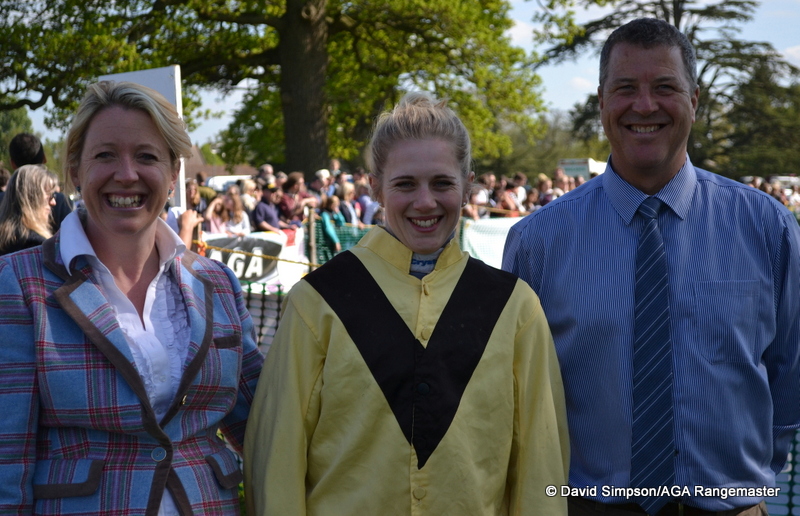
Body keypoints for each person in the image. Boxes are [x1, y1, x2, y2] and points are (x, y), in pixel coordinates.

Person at [502, 18, 800, 516]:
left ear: (694, 102)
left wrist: (750, 483)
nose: (644, 105)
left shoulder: (766, 228)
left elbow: (790, 369)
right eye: (625, 89)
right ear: (602, 103)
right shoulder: (536, 244)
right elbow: (513, 394)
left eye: (664, 87)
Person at [244, 91, 569, 515]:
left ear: (468, 185)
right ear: (376, 186)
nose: (425, 202)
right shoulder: (317, 302)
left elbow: (540, 463)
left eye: (441, 183)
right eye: (405, 184)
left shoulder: (514, 308)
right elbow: (277, 460)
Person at [0, 80, 264, 515]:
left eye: (147, 156)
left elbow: (266, 426)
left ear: (173, 173)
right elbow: (7, 458)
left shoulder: (217, 283)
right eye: (105, 155)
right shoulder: (19, 284)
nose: (127, 174)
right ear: (75, 170)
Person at [9, 132, 73, 232]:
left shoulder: (4, 202)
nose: (52, 202)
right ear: (44, 158)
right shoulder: (63, 203)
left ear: (12, 164)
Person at [0, 164, 59, 256]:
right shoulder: (34, 245)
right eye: (50, 195)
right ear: (32, 198)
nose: (53, 202)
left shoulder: (6, 238)